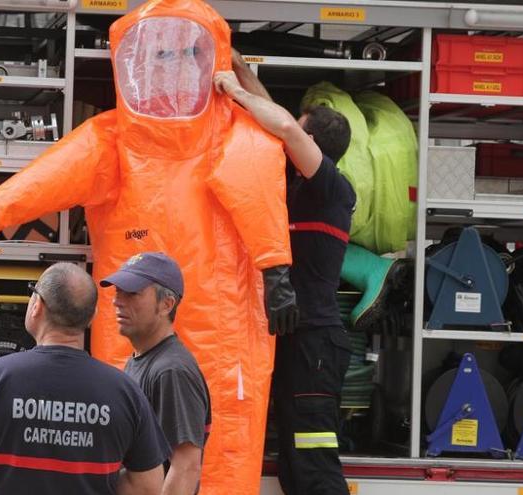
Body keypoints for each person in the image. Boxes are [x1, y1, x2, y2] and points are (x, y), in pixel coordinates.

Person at [0, 0, 297, 492]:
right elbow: (49, 177)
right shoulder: (118, 140)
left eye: (181, 56)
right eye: (158, 57)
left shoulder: (236, 136)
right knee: (130, 433)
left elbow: (257, 192)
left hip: (219, 326)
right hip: (150, 320)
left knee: (218, 444)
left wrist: (276, 268)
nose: (167, 72)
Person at [214, 52, 355, 495]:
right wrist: (239, 67)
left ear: (310, 139)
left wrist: (234, 93)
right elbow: (281, 120)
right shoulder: (301, 184)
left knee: (313, 462)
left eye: (299, 125)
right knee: (294, 466)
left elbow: (287, 127)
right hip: (294, 335)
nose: (288, 125)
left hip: (314, 338)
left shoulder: (330, 186)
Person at [0, 262, 170, 495]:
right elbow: (148, 486)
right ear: (92, 316)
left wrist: (7, 467)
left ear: (37, 306)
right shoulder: (125, 391)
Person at [100, 252, 211, 494]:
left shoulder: (171, 371)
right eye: (118, 291)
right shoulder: (142, 359)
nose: (117, 301)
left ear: (167, 304)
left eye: (132, 293)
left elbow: (186, 466)